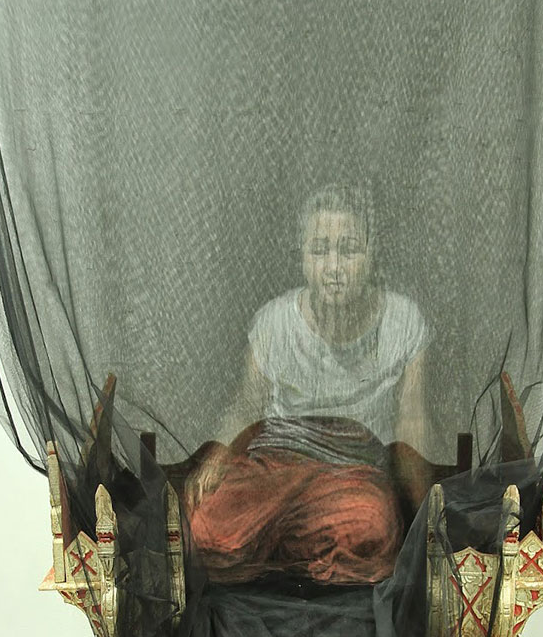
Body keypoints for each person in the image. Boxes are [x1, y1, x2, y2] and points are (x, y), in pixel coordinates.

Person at [184, 182, 431, 584]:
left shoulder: (403, 322)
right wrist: (217, 454)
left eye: (348, 250)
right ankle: (304, 556)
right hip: (277, 465)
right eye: (319, 251)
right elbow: (247, 405)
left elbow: (412, 423)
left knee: (373, 529)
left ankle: (285, 556)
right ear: (302, 257)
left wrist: (425, 515)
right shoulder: (274, 321)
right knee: (205, 526)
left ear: (371, 255)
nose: (334, 267)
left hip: (353, 473)